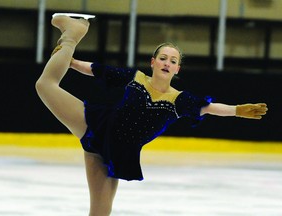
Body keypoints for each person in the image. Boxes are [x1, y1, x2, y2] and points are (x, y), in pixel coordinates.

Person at [36, 14, 268, 216]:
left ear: (177, 69)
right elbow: (95, 69)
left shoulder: (179, 100)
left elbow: (209, 107)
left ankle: (71, 35)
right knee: (45, 85)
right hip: (95, 124)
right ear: (154, 62)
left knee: (100, 212)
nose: (167, 63)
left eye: (173, 61)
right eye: (163, 58)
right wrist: (69, 59)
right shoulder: (135, 78)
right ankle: (72, 34)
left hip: (115, 153)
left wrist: (237, 110)